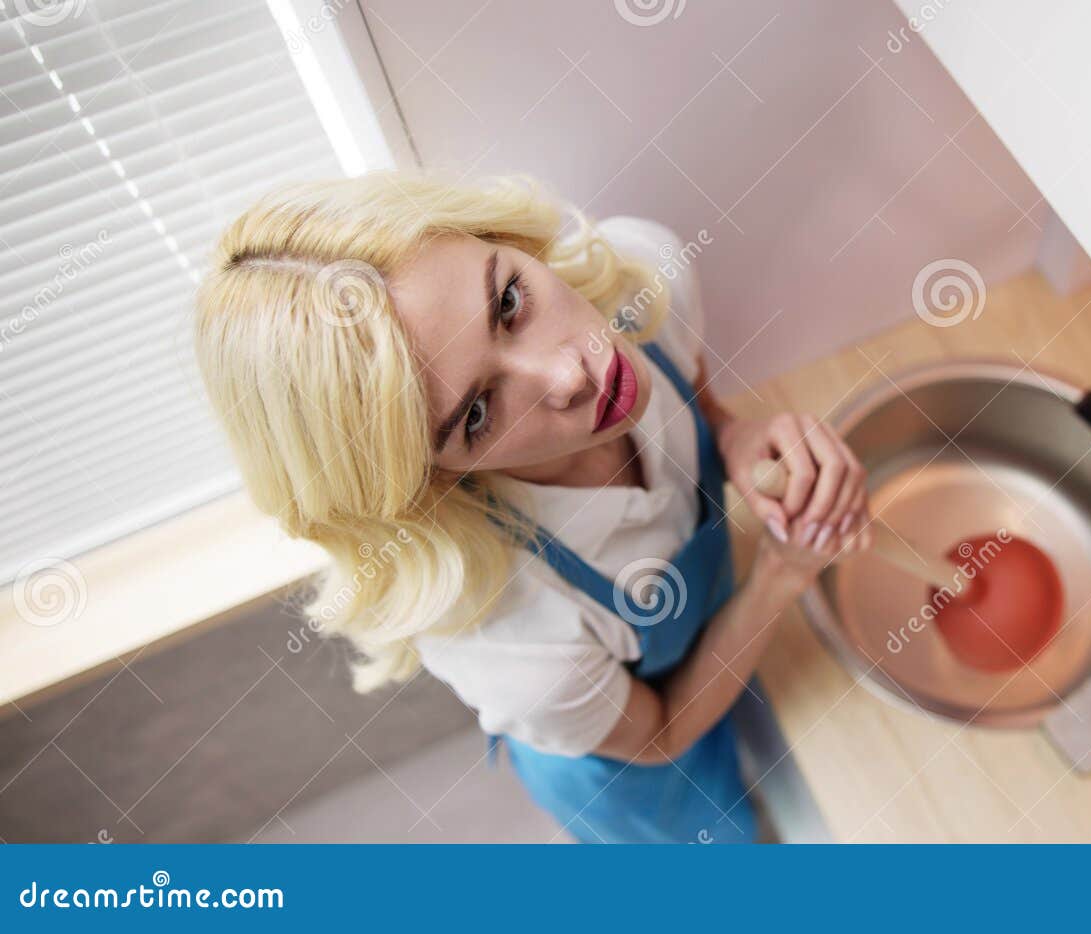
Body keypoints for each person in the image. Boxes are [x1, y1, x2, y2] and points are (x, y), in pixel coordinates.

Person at [192, 171, 871, 843]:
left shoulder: (641, 278)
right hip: (637, 766)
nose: (570, 374)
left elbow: (703, 401)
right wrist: (782, 573)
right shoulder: (509, 636)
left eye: (510, 303)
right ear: (427, 478)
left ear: (506, 238)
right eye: (478, 412)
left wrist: (734, 431)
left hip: (713, 641)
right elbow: (660, 732)